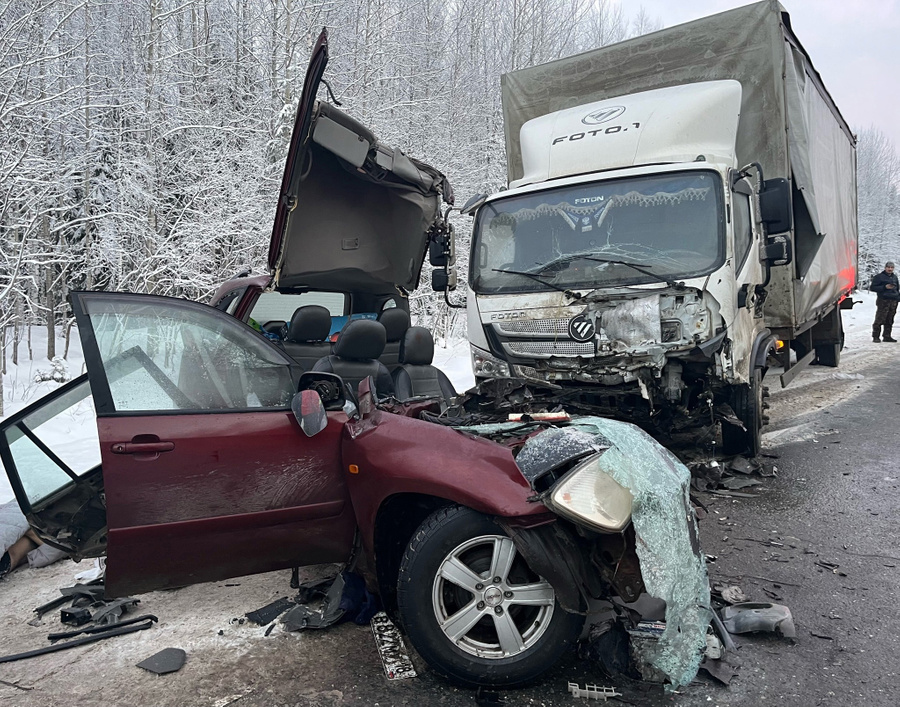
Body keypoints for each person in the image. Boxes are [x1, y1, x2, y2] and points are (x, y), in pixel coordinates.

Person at [871, 261, 900, 343]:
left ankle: (887, 336)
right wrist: (884, 287)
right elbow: (873, 287)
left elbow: (897, 288)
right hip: (883, 300)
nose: (890, 269)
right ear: (885, 268)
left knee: (890, 319)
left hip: (893, 301)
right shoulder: (879, 277)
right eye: (888, 267)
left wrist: (898, 297)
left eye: (891, 267)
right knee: (880, 318)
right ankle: (876, 336)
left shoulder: (894, 277)